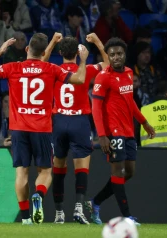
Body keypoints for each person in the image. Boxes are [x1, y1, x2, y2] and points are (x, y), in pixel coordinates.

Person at [0, 33, 88, 224]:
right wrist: (84, 60)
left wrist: (1, 51)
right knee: (45, 172)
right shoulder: (51, 69)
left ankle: (26, 218)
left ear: (27, 49)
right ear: (45, 52)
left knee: (22, 172)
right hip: (42, 129)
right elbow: (79, 79)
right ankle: (39, 194)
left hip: (19, 129)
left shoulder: (14, 67)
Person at [85, 37, 156, 226]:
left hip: (128, 130)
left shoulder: (128, 73)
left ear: (125, 55)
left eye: (119, 53)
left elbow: (129, 102)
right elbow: (96, 108)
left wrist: (144, 122)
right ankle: (127, 217)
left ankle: (95, 202)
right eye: (112, 54)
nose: (116, 57)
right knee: (118, 170)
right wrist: (101, 135)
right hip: (112, 131)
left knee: (129, 172)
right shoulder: (103, 77)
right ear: (108, 56)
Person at [42, 32, 109, 224]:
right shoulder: (86, 69)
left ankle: (59, 213)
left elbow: (41, 63)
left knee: (59, 168)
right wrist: (97, 42)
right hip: (79, 121)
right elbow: (107, 64)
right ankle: (79, 208)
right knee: (82, 168)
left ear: (61, 52)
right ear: (78, 53)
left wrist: (53, 42)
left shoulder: (53, 69)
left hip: (59, 120)